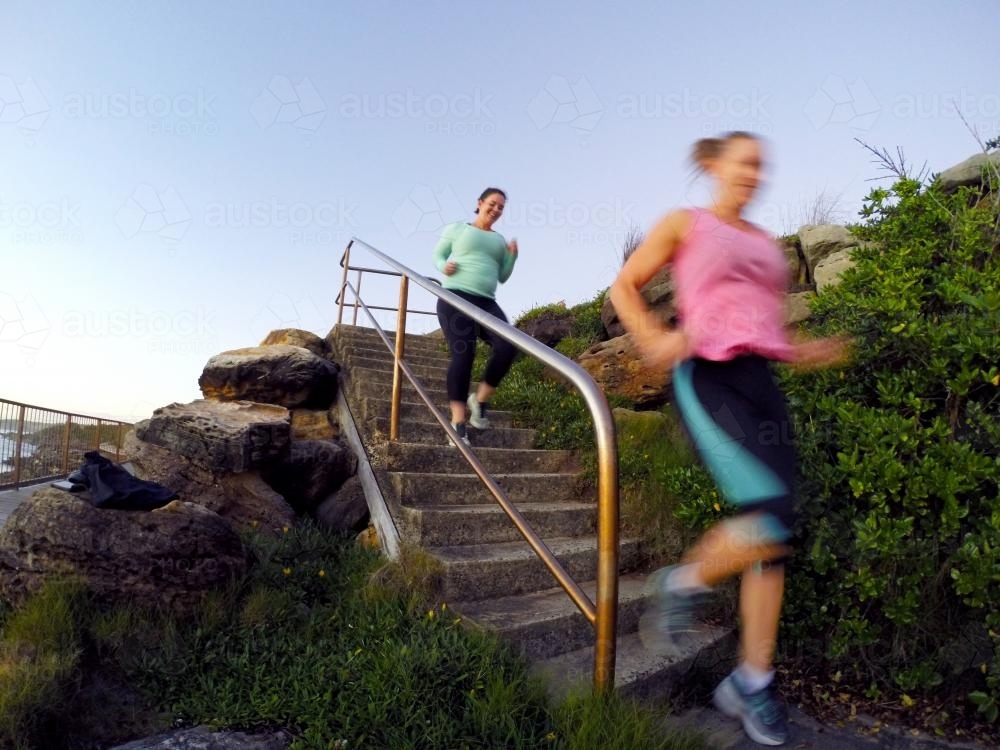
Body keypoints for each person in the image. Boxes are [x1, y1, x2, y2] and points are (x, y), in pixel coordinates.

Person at [608, 132, 849, 746]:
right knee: (774, 513)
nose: (753, 175)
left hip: (760, 381)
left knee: (775, 537)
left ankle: (750, 681)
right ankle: (680, 583)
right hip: (706, 374)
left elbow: (761, 322)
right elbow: (624, 287)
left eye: (761, 167)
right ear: (715, 166)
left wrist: (807, 352)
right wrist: (651, 337)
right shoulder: (684, 224)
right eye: (743, 163)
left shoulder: (768, 248)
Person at [433, 187, 520, 447]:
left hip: (486, 301)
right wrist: (443, 266)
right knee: (464, 354)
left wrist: (512, 257)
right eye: (492, 204)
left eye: (501, 207)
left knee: (508, 346)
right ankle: (458, 422)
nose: (496, 210)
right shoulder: (458, 229)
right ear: (480, 203)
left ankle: (480, 400)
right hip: (454, 299)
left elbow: (502, 276)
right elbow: (438, 255)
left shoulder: (499, 241)